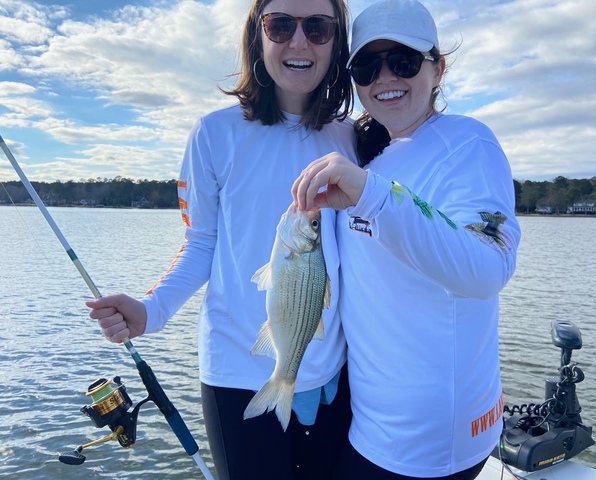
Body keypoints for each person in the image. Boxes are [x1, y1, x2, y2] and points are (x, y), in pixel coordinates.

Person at [86, 1, 356, 479]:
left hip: (336, 377)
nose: (298, 42)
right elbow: (200, 244)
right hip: (237, 374)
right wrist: (152, 310)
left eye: (318, 27)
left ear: (337, 41)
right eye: (280, 25)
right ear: (257, 34)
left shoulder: (351, 139)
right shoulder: (214, 134)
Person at [292, 1, 522, 479]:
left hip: (428, 445)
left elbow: (487, 268)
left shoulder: (468, 144)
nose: (384, 78)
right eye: (367, 66)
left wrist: (371, 195)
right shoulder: (375, 158)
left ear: (438, 69)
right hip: (370, 424)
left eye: (404, 61)